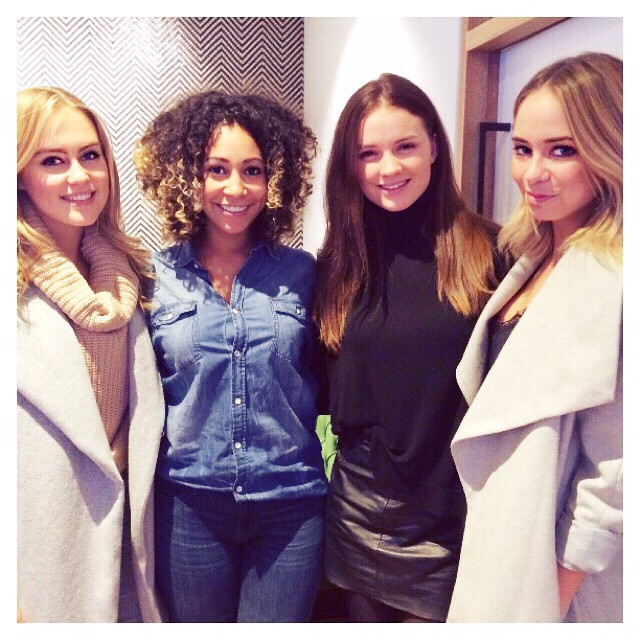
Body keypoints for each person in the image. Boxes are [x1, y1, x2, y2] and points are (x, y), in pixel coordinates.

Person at [314, 73, 505, 622]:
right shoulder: (337, 266)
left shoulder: (492, 255)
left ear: (434, 148)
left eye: (405, 146)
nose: (388, 168)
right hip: (354, 516)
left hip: (453, 519)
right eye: (368, 153)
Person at [134, 90, 327, 623]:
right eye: (216, 170)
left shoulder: (303, 274)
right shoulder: (153, 277)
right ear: (186, 178)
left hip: (291, 505)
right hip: (190, 505)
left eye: (252, 170)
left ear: (275, 180)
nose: (235, 188)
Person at [447, 52, 623, 623]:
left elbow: (615, 473)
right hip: (505, 542)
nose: (532, 173)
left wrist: (552, 597)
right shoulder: (533, 254)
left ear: (613, 147)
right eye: (522, 149)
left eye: (562, 150)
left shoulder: (616, 277)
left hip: (560, 578)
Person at [17, 87, 165, 622]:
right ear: (18, 174)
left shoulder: (131, 275)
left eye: (90, 155)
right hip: (36, 548)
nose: (79, 176)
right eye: (52, 161)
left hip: (127, 536)